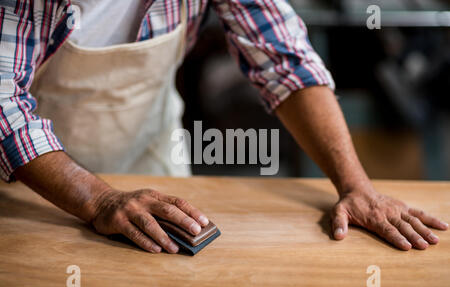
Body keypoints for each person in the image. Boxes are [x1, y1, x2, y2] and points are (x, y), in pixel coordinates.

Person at [0, 0, 447, 254]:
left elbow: (284, 58)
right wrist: (97, 199)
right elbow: (4, 102)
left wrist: (357, 185)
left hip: (148, 152)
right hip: (30, 183)